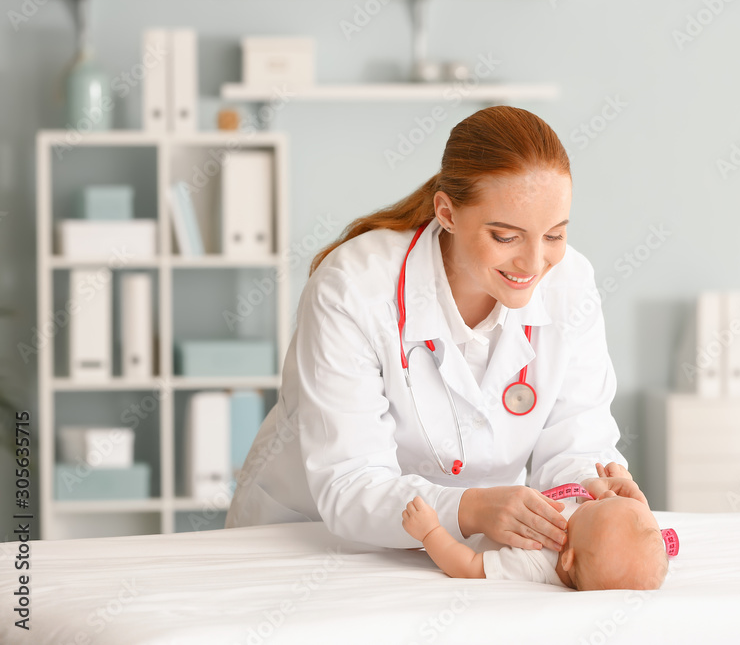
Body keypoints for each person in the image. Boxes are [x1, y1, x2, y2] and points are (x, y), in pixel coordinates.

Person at [225, 105, 645, 553]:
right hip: (312, 539)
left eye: (555, 235)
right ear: (446, 211)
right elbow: (351, 482)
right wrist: (472, 509)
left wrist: (593, 488)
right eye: (505, 237)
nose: (534, 262)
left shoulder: (571, 283)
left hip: (472, 551)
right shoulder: (353, 287)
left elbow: (575, 441)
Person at [402, 462, 670, 590]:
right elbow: (635, 543)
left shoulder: (533, 561)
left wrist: (430, 532)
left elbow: (469, 566)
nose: (608, 495)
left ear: (568, 558)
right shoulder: (587, 537)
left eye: (600, 505)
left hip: (453, 530)